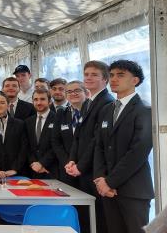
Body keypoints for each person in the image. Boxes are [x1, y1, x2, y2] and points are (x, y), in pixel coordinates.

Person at [94, 60, 153, 233]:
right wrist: (100, 179)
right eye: (111, 75)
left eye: (120, 75)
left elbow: (138, 151)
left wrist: (110, 182)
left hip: (133, 190)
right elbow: (99, 146)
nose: (113, 79)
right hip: (107, 189)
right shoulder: (106, 110)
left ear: (135, 81)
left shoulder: (144, 110)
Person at [66, 60, 113, 233]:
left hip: (94, 170)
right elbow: (78, 136)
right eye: (86, 74)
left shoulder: (107, 102)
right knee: (86, 217)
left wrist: (81, 165)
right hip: (82, 169)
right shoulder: (89, 102)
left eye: (94, 74)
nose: (89, 78)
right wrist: (72, 159)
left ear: (105, 79)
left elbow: (96, 139)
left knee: (99, 219)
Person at [51, 80, 86, 188]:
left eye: (77, 90)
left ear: (86, 92)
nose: (73, 93)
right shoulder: (61, 113)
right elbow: (56, 141)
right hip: (67, 168)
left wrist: (80, 165)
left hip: (86, 168)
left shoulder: (91, 112)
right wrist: (67, 163)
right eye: (69, 91)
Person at [0, 92, 27, 179]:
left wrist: (15, 169)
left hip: (15, 173)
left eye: (2, 102)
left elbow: (24, 148)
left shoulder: (19, 124)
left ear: (8, 104)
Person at [25, 88, 57, 179]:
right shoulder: (28, 121)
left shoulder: (58, 119)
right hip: (32, 170)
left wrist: (42, 163)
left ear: (50, 101)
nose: (39, 103)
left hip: (51, 169)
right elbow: (26, 146)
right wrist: (33, 163)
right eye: (36, 99)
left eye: (42, 99)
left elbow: (57, 145)